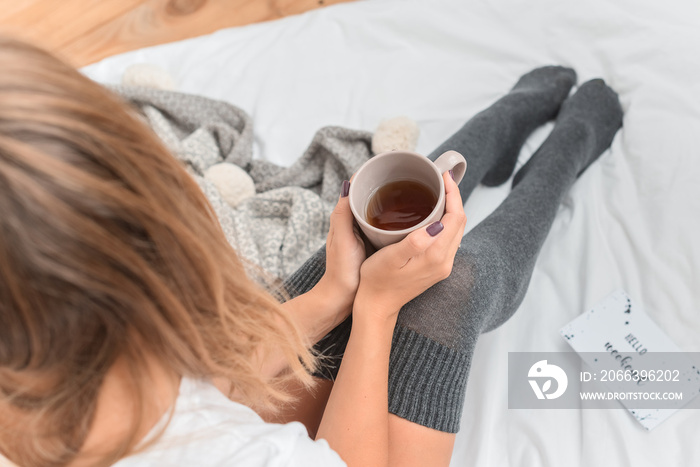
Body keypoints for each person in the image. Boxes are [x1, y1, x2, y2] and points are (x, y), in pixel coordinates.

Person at [0, 35, 622, 467]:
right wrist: (375, 310)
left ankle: (503, 126)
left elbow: (208, 376)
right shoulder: (217, 449)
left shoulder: (58, 366)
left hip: (229, 410)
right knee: (451, 287)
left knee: (361, 236)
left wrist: (337, 294)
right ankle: (561, 159)